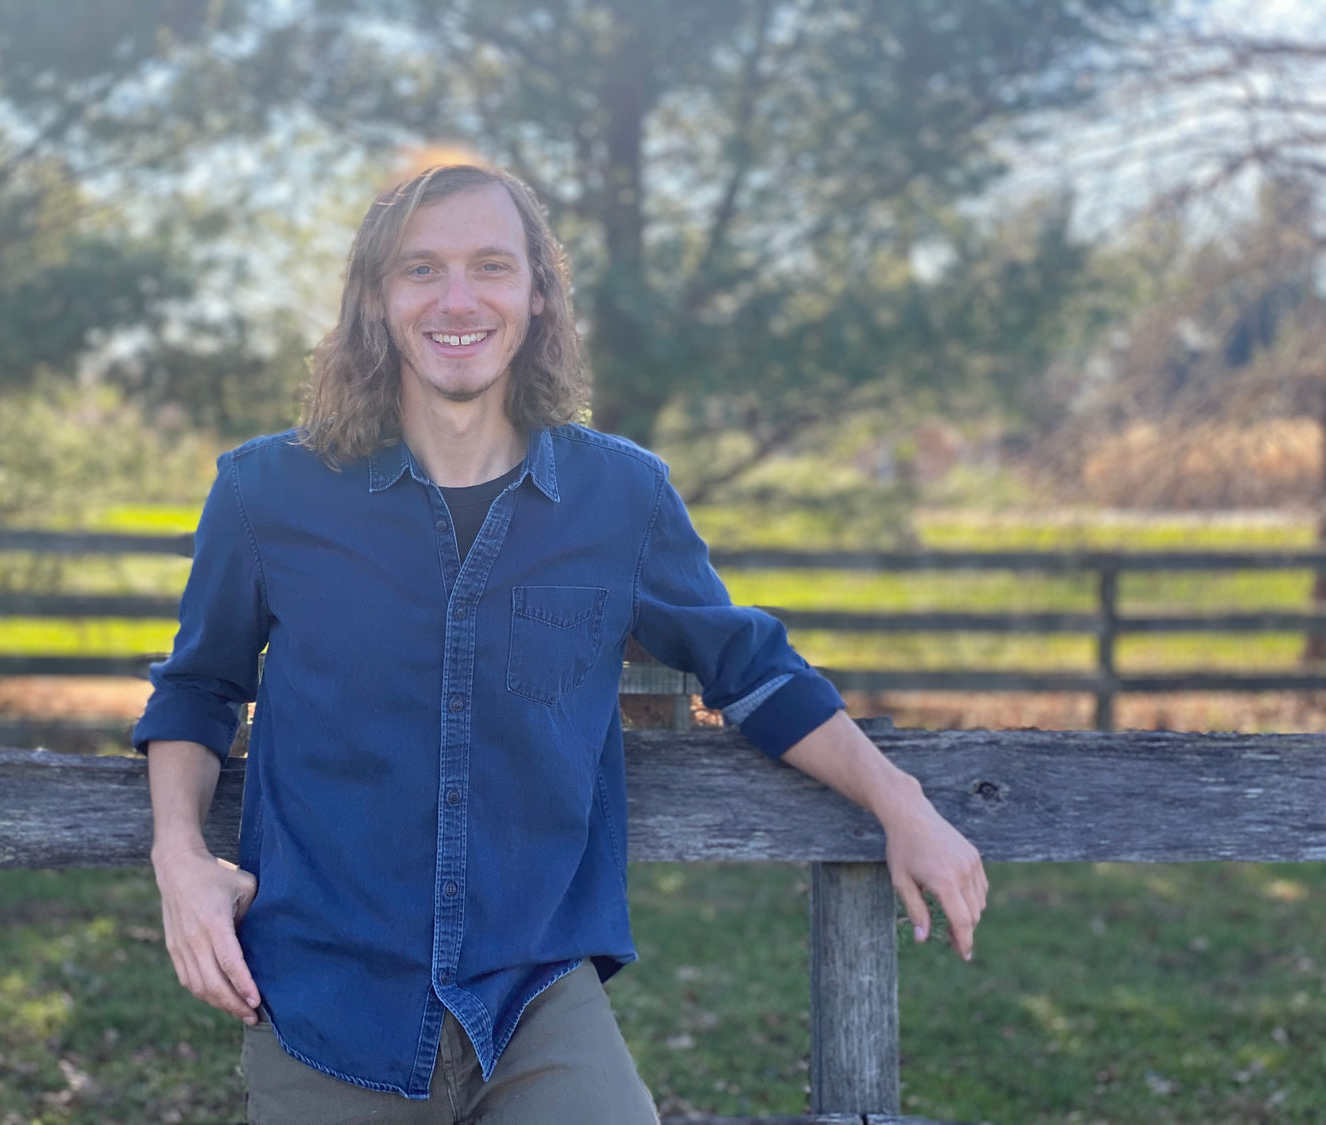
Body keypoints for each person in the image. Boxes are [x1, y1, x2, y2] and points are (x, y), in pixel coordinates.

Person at [133, 163, 986, 1125]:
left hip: (531, 993)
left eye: (491, 266)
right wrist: (179, 856)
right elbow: (199, 687)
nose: (458, 300)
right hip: (324, 997)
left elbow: (751, 670)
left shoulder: (622, 496)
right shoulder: (266, 491)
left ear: (538, 295)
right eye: (422, 269)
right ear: (376, 299)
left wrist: (898, 798)